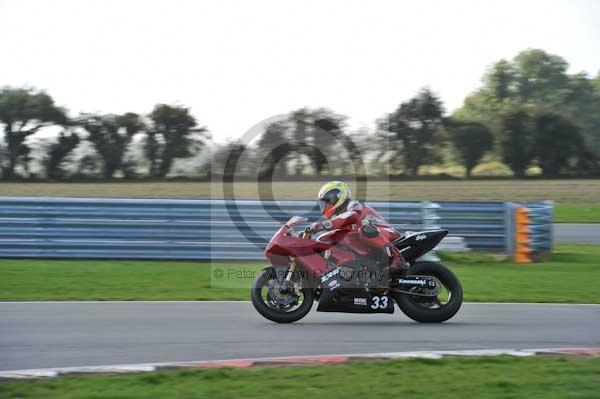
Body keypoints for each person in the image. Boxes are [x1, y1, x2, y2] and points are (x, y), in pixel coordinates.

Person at [307, 181, 406, 273]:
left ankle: (397, 259)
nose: (326, 205)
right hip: (372, 249)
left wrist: (323, 225)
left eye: (327, 201)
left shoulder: (354, 205)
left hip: (387, 234)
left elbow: (352, 216)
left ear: (338, 197)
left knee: (365, 230)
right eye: (324, 203)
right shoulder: (339, 218)